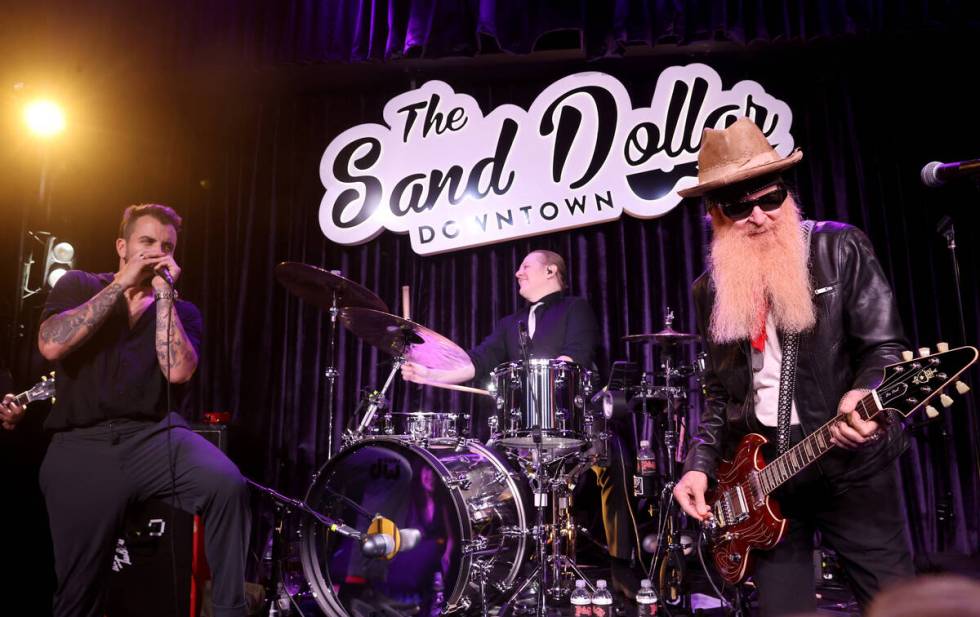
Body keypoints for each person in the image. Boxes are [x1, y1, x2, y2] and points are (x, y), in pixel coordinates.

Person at [671, 118, 914, 616]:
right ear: (715, 215)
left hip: (851, 466)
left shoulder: (839, 247)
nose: (759, 216)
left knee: (895, 606)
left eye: (772, 198)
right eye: (739, 207)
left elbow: (885, 350)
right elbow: (720, 393)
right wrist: (697, 467)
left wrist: (862, 394)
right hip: (768, 483)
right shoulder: (709, 289)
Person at [7, 203, 251, 617]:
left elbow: (177, 373)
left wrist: (164, 295)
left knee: (227, 485)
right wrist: (121, 284)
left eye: (167, 245)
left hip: (153, 438)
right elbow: (51, 344)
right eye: (147, 241)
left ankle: (230, 610)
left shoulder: (181, 309)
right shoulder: (79, 283)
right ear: (122, 246)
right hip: (81, 445)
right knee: (77, 595)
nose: (157, 251)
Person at [401, 249, 643, 591]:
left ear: (551, 271)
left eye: (525, 266)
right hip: (522, 430)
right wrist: (430, 373)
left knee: (616, 459)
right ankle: (506, 563)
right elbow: (477, 363)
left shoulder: (575, 308)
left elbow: (576, 354)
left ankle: (621, 565)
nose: (517, 273)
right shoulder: (508, 325)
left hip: (576, 422)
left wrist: (549, 376)